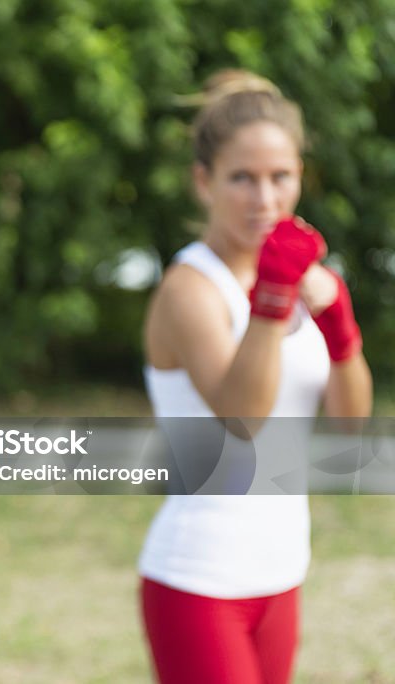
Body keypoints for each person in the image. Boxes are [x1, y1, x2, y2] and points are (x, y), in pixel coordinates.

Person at [138, 70, 373, 684]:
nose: (264, 199)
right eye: (242, 177)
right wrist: (273, 298)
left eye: (280, 177)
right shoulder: (191, 288)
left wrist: (342, 330)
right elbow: (240, 420)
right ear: (203, 181)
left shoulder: (305, 281)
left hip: (282, 571)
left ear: (300, 177)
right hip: (199, 577)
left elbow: (352, 429)